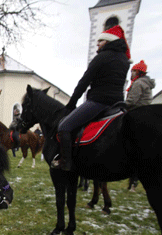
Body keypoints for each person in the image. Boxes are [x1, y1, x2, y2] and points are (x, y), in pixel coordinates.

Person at [51, 25, 131, 171]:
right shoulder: (124, 61)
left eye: (100, 41)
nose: (97, 44)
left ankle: (65, 162)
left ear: (108, 42)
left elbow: (84, 82)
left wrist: (71, 103)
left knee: (64, 126)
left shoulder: (101, 57)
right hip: (118, 104)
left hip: (99, 101)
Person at [126, 60, 155, 191]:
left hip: (136, 114)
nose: (130, 74)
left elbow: (131, 101)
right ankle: (134, 182)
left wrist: (119, 105)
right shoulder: (145, 83)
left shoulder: (138, 83)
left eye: (132, 71)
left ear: (137, 71)